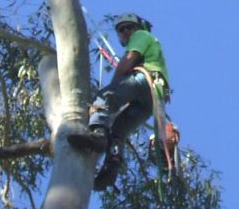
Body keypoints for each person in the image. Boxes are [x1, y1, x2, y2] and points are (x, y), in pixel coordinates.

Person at [68, 12, 171, 190]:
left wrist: (115, 86)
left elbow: (128, 60)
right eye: (120, 30)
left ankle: (98, 136)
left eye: (128, 27)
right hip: (152, 101)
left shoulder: (142, 35)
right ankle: (110, 171)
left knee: (106, 97)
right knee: (119, 129)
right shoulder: (149, 42)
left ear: (136, 28)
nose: (124, 31)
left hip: (145, 81)